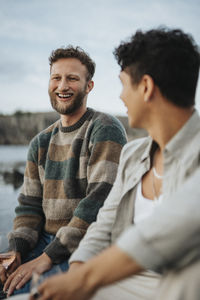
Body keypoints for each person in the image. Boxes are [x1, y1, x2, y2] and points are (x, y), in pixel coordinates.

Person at [35, 27, 200, 300]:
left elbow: (165, 232)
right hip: (119, 280)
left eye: (124, 84)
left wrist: (84, 279)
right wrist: (77, 274)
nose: (121, 96)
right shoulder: (133, 155)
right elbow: (104, 224)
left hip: (180, 286)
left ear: (145, 87)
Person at [0, 46, 127, 297]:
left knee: (21, 292)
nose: (62, 86)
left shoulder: (104, 128)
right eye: (56, 78)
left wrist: (47, 258)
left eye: (72, 78)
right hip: (44, 243)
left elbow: (97, 204)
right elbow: (29, 206)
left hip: (87, 249)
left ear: (88, 86)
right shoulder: (40, 142)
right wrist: (17, 250)